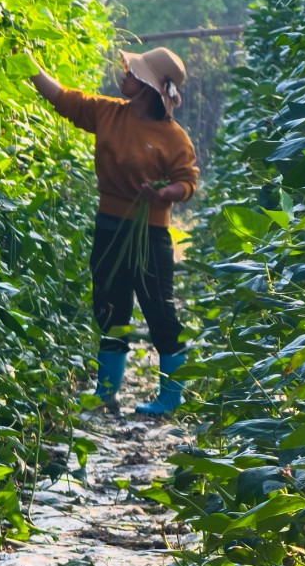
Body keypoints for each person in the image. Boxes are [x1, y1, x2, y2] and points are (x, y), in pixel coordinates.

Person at [32, 47, 198, 415]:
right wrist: (28, 65)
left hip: (150, 235)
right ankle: (106, 393)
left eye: (132, 72)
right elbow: (63, 98)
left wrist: (163, 194)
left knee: (160, 313)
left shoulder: (174, 138)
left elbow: (187, 183)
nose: (124, 73)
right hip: (109, 227)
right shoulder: (108, 113)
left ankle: (171, 397)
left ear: (148, 87)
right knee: (110, 310)